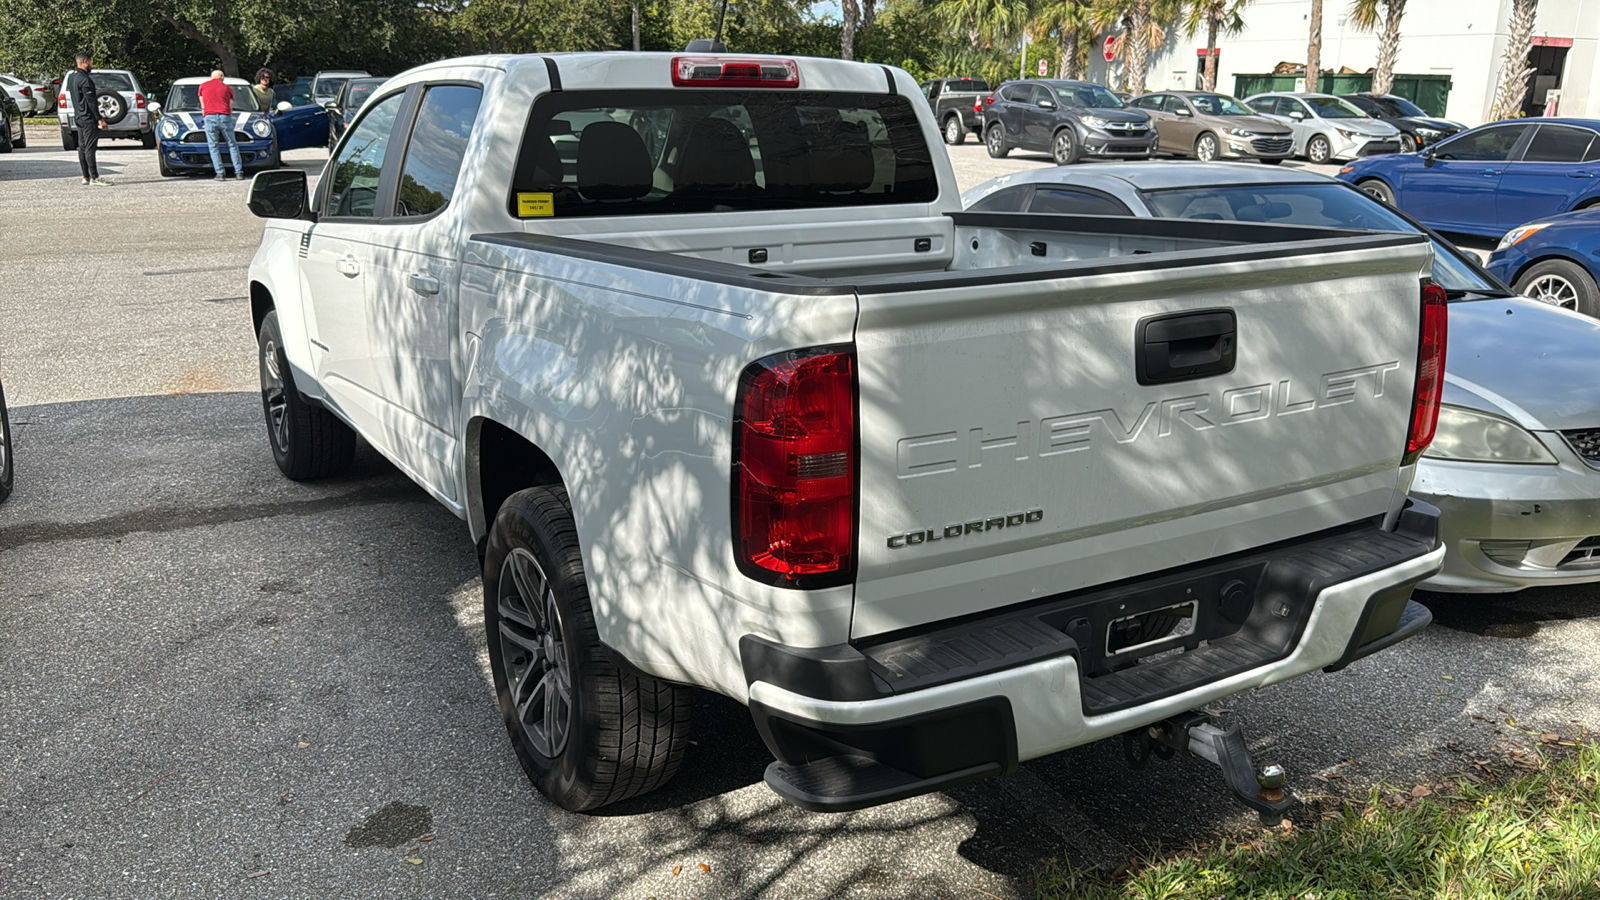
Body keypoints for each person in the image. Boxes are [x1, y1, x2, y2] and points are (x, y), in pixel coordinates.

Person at [63, 52, 110, 186]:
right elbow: (91, 101)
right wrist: (99, 118)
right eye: (91, 62)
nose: (92, 65)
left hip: (78, 117)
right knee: (90, 148)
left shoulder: (72, 77)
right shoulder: (85, 79)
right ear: (85, 62)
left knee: (82, 148)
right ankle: (95, 177)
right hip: (88, 118)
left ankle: (85, 176)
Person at [198, 70, 243, 181]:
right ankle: (238, 172)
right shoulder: (227, 88)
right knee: (232, 144)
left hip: (210, 116)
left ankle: (220, 173)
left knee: (213, 146)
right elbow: (230, 106)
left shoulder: (203, 86)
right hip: (224, 116)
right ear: (222, 77)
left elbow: (202, 102)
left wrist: (205, 112)